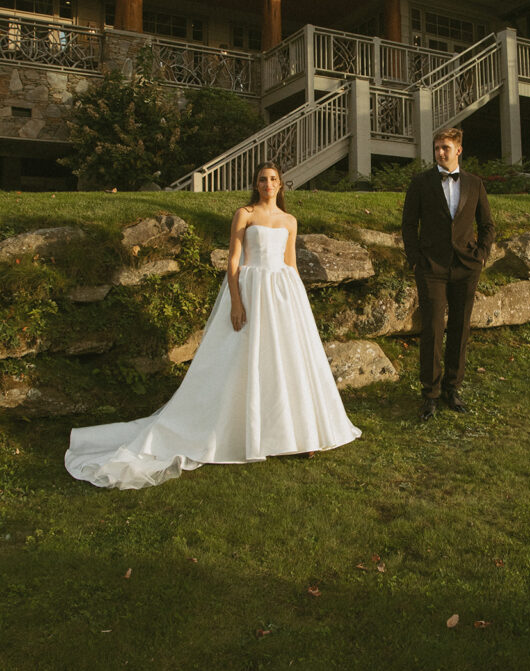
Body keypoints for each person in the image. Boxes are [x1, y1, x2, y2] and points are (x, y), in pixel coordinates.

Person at [65, 162, 361, 489]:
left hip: (283, 293)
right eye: (262, 179)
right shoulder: (244, 214)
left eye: (273, 179)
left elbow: (290, 262)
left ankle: (300, 434)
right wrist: (236, 301)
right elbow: (234, 260)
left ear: (281, 185)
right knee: (244, 361)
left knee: (287, 361)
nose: (268, 184)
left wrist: (298, 303)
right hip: (251, 290)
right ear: (256, 183)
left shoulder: (290, 220)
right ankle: (241, 430)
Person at [401, 128, 494, 420]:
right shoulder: (420, 183)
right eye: (437, 147)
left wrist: (481, 255)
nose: (441, 152)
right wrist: (415, 259)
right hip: (431, 267)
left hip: (466, 266)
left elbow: (487, 224)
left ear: (459, 150)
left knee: (460, 327)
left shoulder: (475, 184)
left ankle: (452, 389)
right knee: (431, 328)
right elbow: (408, 224)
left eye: (446, 148)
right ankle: (429, 394)